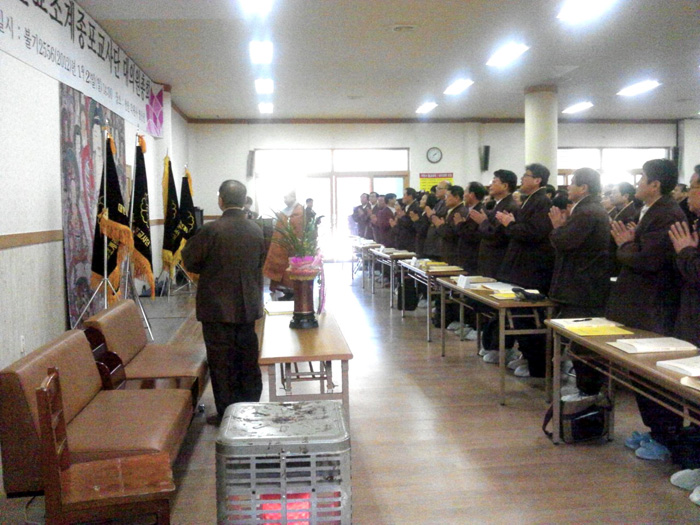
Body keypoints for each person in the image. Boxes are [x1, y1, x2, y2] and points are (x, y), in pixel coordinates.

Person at [607, 159, 688, 461]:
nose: (638, 183)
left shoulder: (667, 213)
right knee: (640, 374)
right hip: (640, 302)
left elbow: (648, 260)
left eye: (642, 178)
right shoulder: (651, 210)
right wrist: (631, 244)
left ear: (655, 184)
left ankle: (666, 436)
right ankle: (655, 431)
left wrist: (625, 245)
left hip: (653, 304)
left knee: (653, 375)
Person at [182, 180, 265, 424]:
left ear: (220, 200)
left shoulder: (211, 230)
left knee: (221, 362)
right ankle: (250, 408)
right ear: (244, 200)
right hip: (247, 305)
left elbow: (191, 261)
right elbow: (259, 262)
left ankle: (227, 414)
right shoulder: (256, 230)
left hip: (217, 308)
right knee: (247, 358)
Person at [547, 168, 611, 395]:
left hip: (582, 286)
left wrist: (558, 227)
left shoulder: (588, 212)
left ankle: (589, 391)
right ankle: (585, 389)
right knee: (578, 340)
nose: (568, 187)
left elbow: (565, 242)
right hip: (581, 283)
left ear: (584, 188)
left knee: (583, 343)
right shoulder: (586, 209)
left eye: (572, 183)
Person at [495, 163, 555, 377]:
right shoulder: (532, 199)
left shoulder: (542, 202)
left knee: (529, 318)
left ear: (537, 180)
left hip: (532, 268)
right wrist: (512, 223)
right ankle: (529, 357)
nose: (522, 178)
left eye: (526, 175)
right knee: (521, 317)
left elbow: (534, 233)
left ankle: (538, 365)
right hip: (522, 266)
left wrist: (510, 224)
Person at [471, 169, 520, 279]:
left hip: (497, 260)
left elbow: (497, 235)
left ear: (505, 186)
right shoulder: (499, 204)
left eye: (494, 182)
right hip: (489, 260)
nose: (490, 186)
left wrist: (483, 222)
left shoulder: (509, 206)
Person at [263, 190, 304, 297]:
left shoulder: (299, 211)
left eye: (286, 197)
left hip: (292, 246)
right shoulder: (285, 211)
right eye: (284, 198)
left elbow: (297, 230)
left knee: (290, 268)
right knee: (280, 266)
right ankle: (285, 290)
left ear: (293, 197)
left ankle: (292, 290)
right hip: (281, 245)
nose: (284, 200)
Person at [454, 181, 486, 274]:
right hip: (466, 256)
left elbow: (472, 235)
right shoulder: (469, 210)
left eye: (465, 192)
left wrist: (460, 224)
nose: (463, 195)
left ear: (471, 194)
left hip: (473, 257)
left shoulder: (479, 211)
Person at [433, 186, 467, 266]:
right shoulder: (450, 210)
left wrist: (440, 226)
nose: (445, 199)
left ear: (457, 197)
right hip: (446, 252)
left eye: (447, 196)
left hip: (454, 253)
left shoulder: (460, 212)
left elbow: (453, 233)